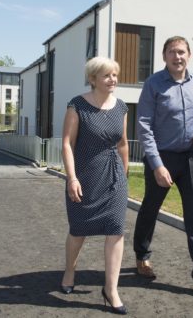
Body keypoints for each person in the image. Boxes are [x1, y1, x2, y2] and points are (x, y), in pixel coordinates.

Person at [133, 36, 193, 299]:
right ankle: (142, 256)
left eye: (181, 52)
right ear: (164, 57)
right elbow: (144, 126)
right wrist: (157, 164)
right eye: (172, 52)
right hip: (163, 158)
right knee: (150, 208)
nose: (177, 56)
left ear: (189, 55)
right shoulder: (153, 84)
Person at [61, 56, 129, 314]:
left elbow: (122, 143)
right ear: (93, 79)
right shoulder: (77, 105)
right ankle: (70, 271)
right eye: (107, 75)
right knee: (79, 230)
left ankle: (111, 289)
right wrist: (72, 177)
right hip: (85, 177)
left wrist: (123, 177)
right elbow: (67, 143)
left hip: (114, 178)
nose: (113, 79)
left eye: (115, 75)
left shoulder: (121, 107)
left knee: (116, 230)